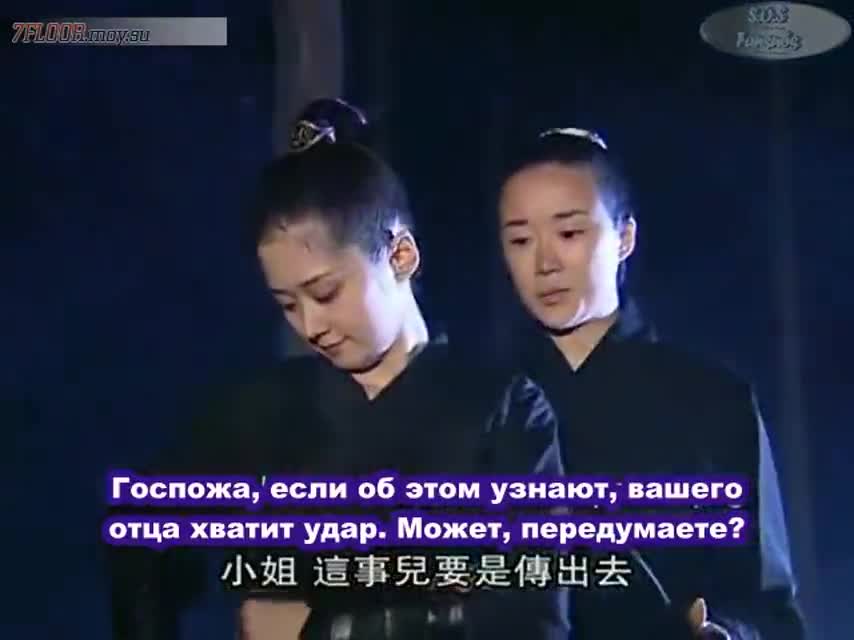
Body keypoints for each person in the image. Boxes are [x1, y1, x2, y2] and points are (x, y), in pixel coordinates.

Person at [106, 98, 570, 640]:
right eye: (287, 304)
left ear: (400, 256)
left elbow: (535, 616)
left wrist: (327, 629)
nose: (310, 325)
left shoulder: (503, 406)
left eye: (325, 292)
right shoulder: (263, 410)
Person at [494, 127, 805, 639]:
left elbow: (768, 606)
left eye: (569, 234)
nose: (545, 263)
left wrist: (723, 633)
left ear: (624, 238)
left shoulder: (713, 399)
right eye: (521, 240)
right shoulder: (485, 400)